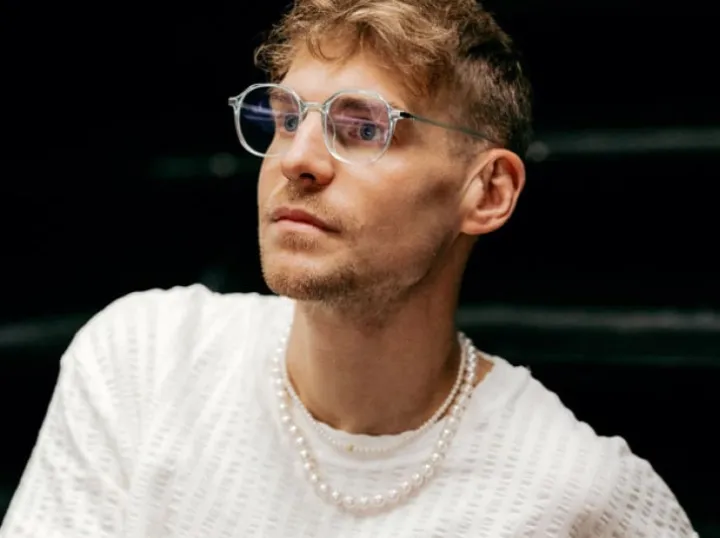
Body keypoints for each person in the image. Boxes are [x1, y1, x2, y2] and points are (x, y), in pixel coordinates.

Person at [0, 1, 698, 536]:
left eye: (363, 128)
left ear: (486, 192)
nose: (297, 160)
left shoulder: (574, 492)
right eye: (285, 118)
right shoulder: (142, 361)